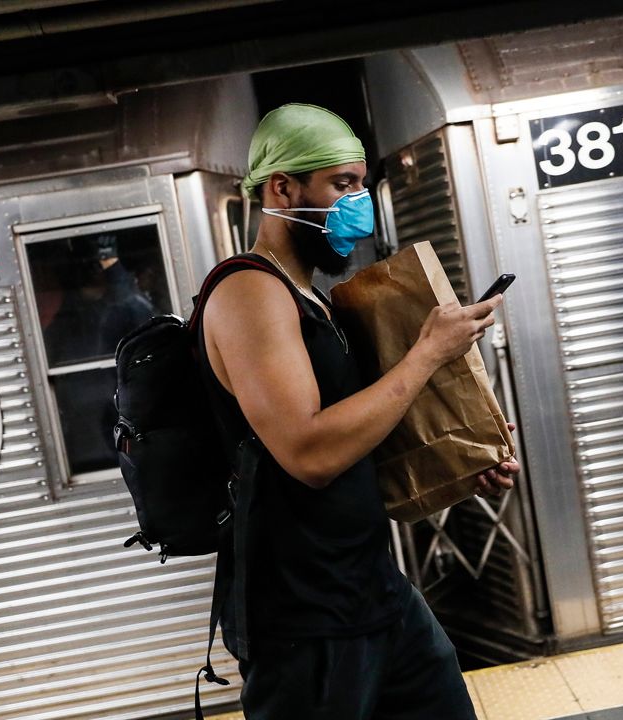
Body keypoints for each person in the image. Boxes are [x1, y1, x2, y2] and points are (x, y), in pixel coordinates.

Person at [201, 103, 518, 718]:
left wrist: (456, 463)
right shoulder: (248, 292)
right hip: (306, 622)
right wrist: (427, 352)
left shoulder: (313, 301)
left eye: (362, 184)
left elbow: (354, 450)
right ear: (283, 188)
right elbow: (310, 454)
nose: (360, 201)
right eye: (343, 184)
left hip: (374, 591)